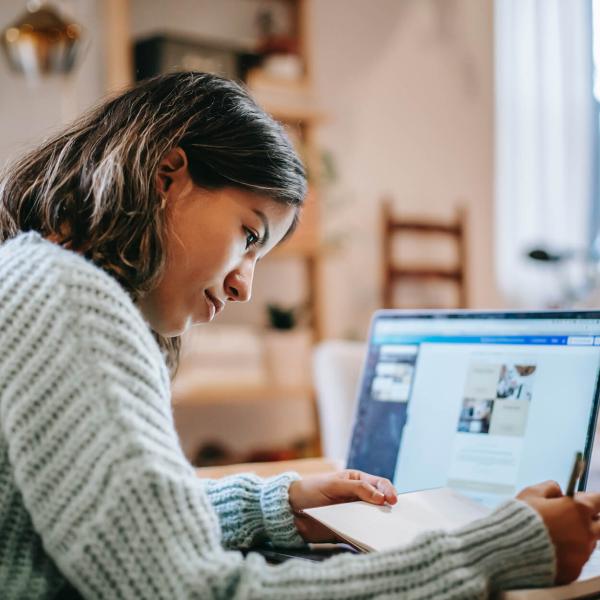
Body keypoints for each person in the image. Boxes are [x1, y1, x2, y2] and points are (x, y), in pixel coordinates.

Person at [0, 71, 598, 600]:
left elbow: (120, 528)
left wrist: (281, 505)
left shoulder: (39, 278)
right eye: (249, 236)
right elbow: (188, 588)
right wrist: (489, 552)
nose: (243, 289)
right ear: (167, 177)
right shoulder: (70, 301)